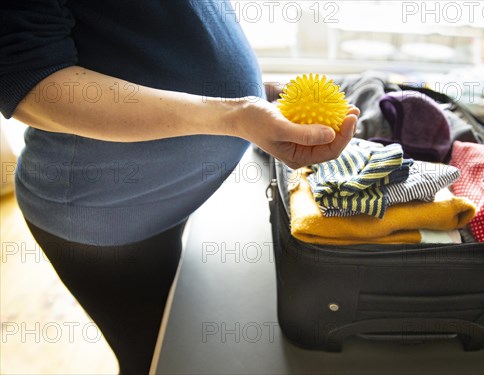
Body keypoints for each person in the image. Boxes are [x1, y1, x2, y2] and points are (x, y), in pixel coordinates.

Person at [0, 1, 358, 373]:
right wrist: (233, 114)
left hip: (168, 198)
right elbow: (32, 85)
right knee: (156, 358)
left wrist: (249, 94)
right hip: (106, 214)